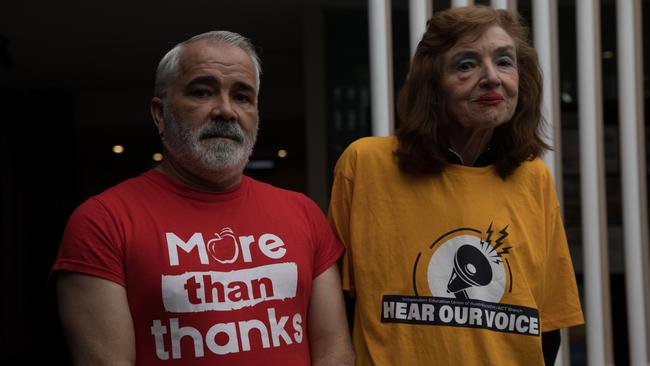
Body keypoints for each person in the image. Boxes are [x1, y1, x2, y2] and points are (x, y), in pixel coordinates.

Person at [52, 31, 354, 366]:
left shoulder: (303, 213)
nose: (225, 110)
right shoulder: (102, 222)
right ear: (159, 114)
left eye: (242, 97)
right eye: (202, 92)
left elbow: (335, 349)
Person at [328, 6, 583, 365]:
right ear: (432, 86)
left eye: (505, 62)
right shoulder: (365, 165)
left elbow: (547, 327)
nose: (492, 77)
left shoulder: (535, 179)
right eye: (466, 64)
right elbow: (333, 315)